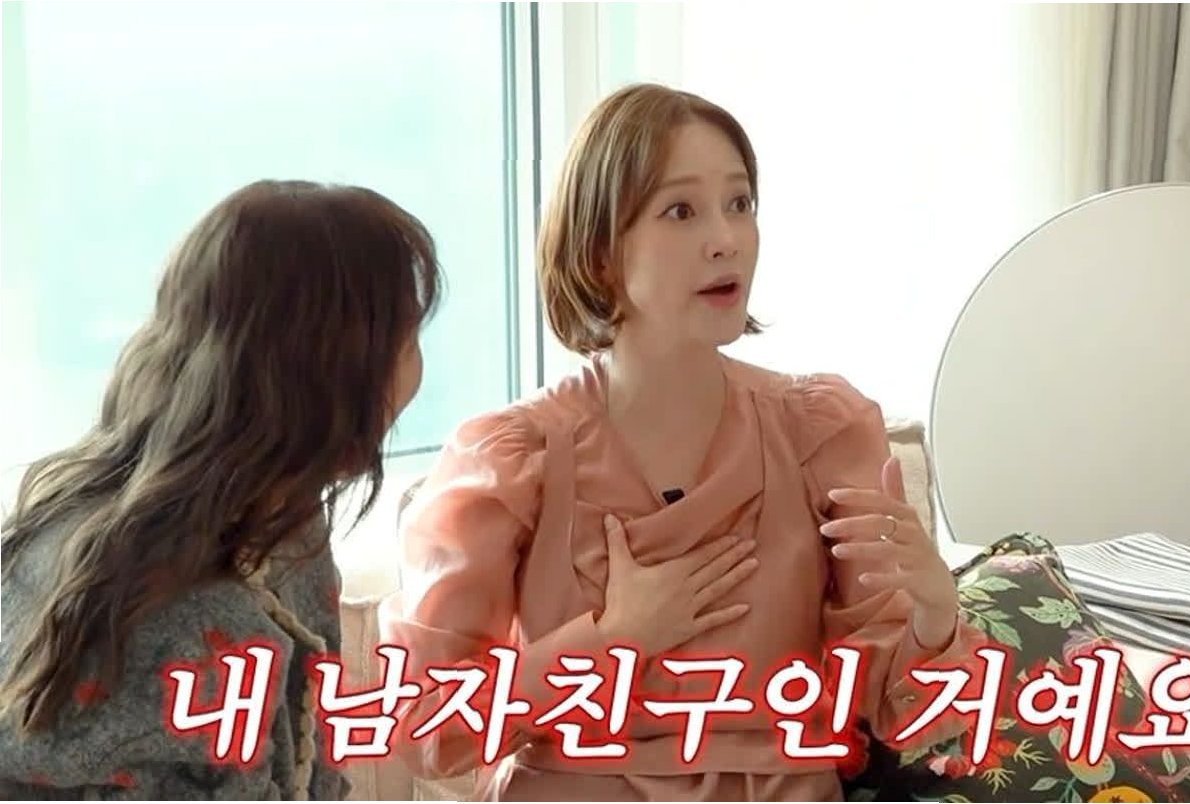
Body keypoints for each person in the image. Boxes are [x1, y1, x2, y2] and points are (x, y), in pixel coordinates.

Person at [380, 82, 989, 802]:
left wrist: (935, 612)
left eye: (740, 203)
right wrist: (613, 639)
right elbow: (424, 727)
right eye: (681, 210)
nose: (726, 238)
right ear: (601, 252)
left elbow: (908, 714)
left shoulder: (820, 430)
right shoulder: (513, 458)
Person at [0, 179, 443, 800]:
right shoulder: (198, 618)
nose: (417, 365)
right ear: (336, 373)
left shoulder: (280, 524)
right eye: (409, 337)